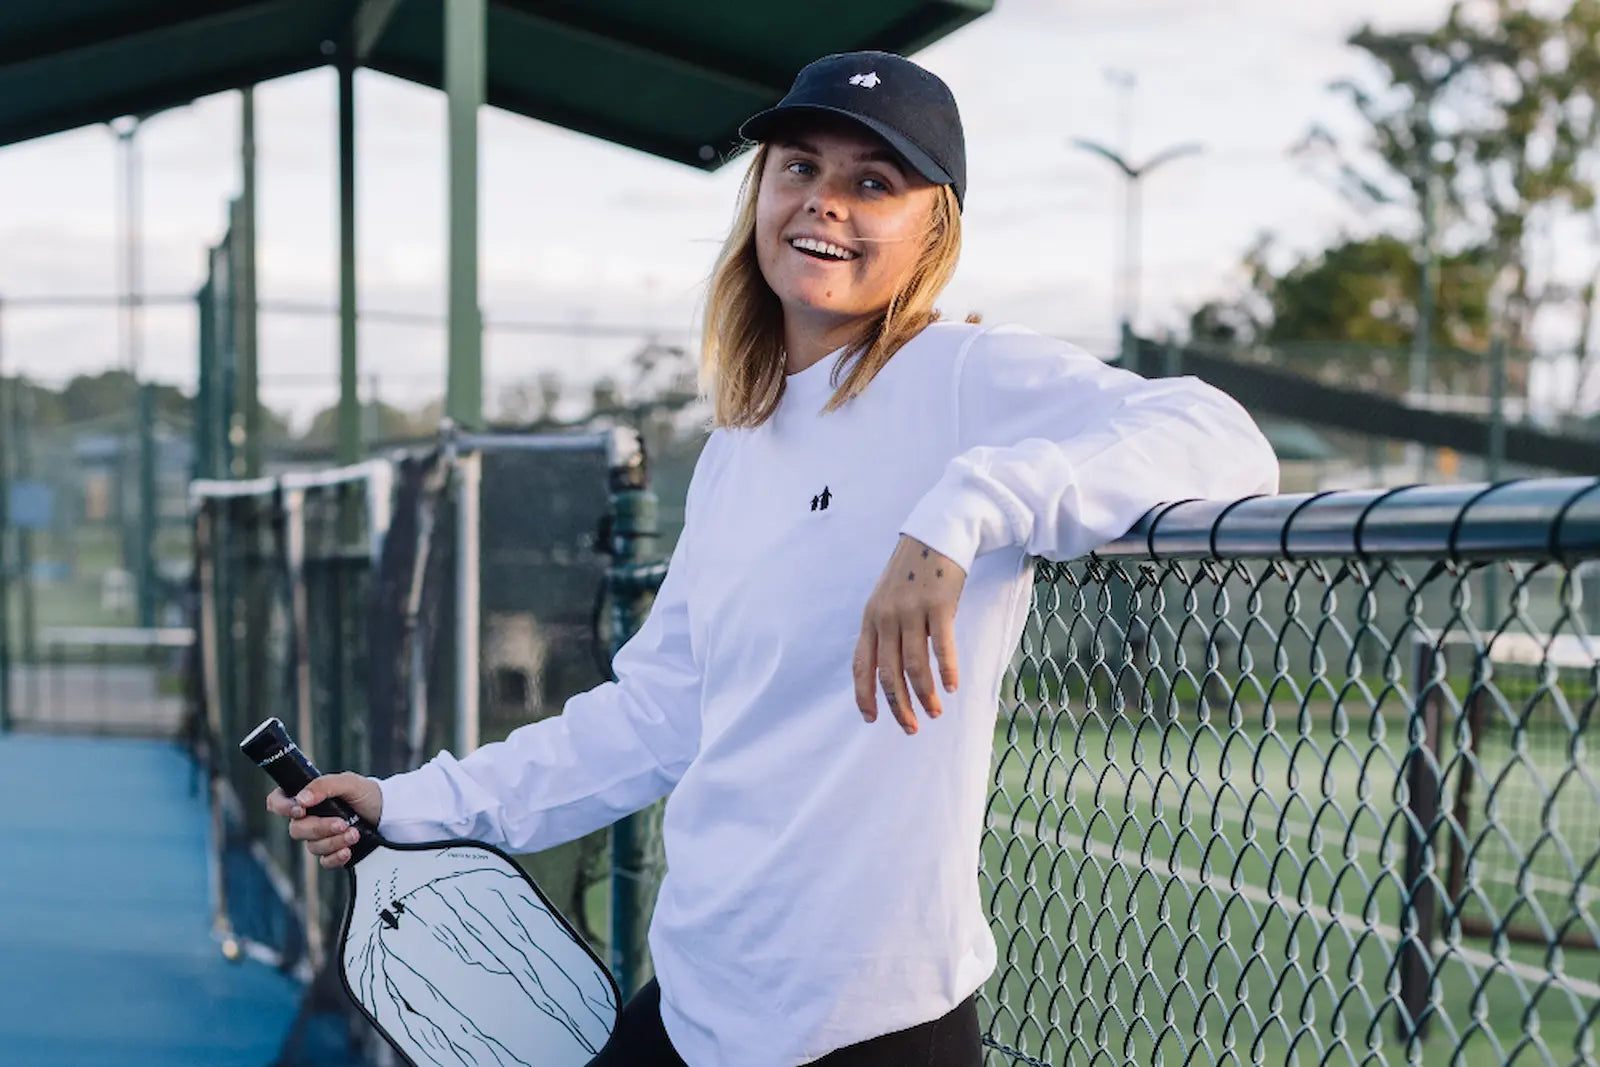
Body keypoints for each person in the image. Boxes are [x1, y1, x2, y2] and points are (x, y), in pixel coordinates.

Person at [267, 50, 1279, 1067]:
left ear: (933, 227)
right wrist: (411, 801)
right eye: (800, 167)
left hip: (868, 1025)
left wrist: (963, 506)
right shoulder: (735, 447)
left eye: (872, 183)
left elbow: (1222, 438)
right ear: (762, 192)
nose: (824, 203)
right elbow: (653, 716)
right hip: (699, 1000)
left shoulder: (963, 377)